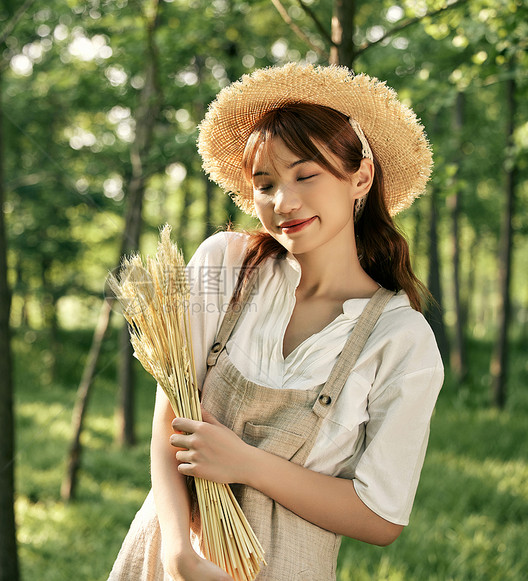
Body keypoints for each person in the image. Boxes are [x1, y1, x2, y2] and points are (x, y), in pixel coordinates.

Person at [109, 62, 444, 581]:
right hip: (167, 555)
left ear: (361, 175)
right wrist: (179, 555)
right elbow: (168, 412)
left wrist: (246, 464)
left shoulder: (403, 339)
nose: (283, 203)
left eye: (305, 175)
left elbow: (382, 517)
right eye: (265, 184)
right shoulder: (222, 262)